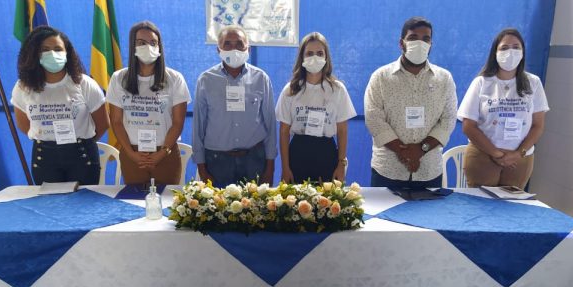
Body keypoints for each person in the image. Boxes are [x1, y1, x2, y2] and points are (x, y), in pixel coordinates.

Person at [364, 16, 457, 189]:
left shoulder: (444, 79)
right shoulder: (381, 77)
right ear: (402, 43)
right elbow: (374, 119)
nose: (420, 43)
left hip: (429, 171)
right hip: (388, 170)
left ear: (431, 44)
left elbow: (449, 119)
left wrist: (421, 149)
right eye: (413, 38)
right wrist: (404, 152)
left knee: (430, 209)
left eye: (426, 39)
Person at [11, 26, 108, 185]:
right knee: (50, 201)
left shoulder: (84, 83)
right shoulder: (23, 87)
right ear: (34, 53)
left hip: (82, 155)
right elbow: (23, 124)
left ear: (67, 53)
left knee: (84, 201)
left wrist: (78, 141)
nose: (52, 54)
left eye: (58, 49)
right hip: (44, 157)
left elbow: (103, 123)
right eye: (45, 49)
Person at [457, 28, 549, 189]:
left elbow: (538, 125)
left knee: (511, 204)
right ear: (495, 53)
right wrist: (495, 153)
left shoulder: (533, 83)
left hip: (520, 159)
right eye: (504, 48)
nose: (510, 52)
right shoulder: (481, 83)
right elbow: (468, 126)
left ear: (523, 52)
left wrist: (518, 153)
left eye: (516, 47)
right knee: (480, 203)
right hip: (484, 156)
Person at [107, 21, 190, 186]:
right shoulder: (118, 78)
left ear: (159, 47)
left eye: (153, 43)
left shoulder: (174, 78)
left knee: (168, 200)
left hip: (165, 153)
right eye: (141, 43)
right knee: (133, 200)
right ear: (133, 46)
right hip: (132, 154)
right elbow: (116, 121)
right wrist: (131, 153)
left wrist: (162, 153)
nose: (148, 47)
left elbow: (178, 122)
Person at [192, 25, 276, 187]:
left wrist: (270, 167)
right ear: (218, 49)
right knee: (217, 204)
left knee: (256, 204)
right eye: (227, 44)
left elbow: (271, 124)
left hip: (254, 159)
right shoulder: (206, 80)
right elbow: (198, 126)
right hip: (217, 161)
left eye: (239, 44)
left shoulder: (261, 78)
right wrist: (201, 168)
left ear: (248, 49)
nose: (233, 49)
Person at [275, 32, 356, 184]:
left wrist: (341, 164)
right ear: (302, 57)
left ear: (326, 57)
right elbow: (284, 131)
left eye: (319, 53)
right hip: (298, 153)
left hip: (326, 152)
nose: (314, 58)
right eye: (309, 53)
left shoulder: (337, 89)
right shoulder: (290, 90)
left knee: (327, 198)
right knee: (296, 198)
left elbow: (342, 130)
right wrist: (285, 167)